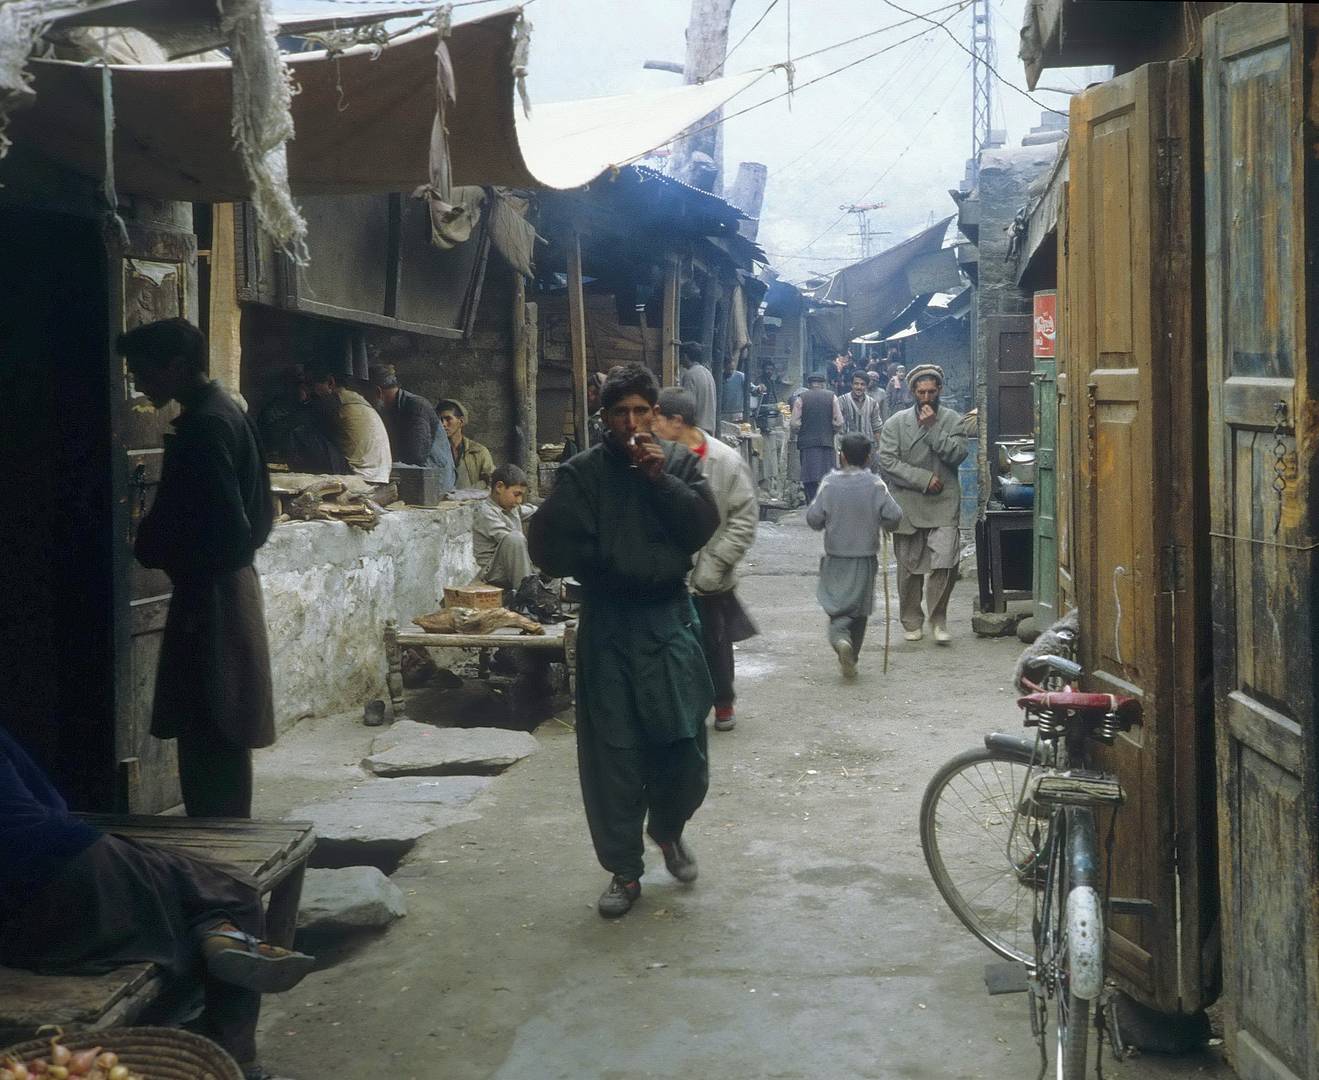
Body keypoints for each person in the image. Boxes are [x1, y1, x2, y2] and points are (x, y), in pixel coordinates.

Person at [0, 724, 312, 1080]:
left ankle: (216, 935)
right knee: (234, 889)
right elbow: (53, 805)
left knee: (191, 888)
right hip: (69, 861)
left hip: (22, 914)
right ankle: (234, 1047)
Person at [527, 363, 719, 919]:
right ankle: (623, 871)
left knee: (684, 745)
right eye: (620, 412)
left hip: (668, 621)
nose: (631, 422)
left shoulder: (679, 462)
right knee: (613, 752)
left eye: (641, 411)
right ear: (604, 417)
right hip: (609, 624)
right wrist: (587, 523)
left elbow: (700, 528)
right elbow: (549, 550)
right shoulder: (583, 473)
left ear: (655, 415)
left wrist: (661, 480)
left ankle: (669, 828)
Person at [119, 319, 275, 819]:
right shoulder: (225, 411)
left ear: (179, 367)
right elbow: (260, 518)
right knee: (219, 724)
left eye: (145, 371)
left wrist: (156, 545)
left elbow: (227, 532)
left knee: (211, 723)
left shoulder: (206, 427)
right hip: (227, 588)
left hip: (211, 597)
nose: (140, 383)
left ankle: (220, 857)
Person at [653, 388, 758, 732]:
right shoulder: (657, 458)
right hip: (669, 569)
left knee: (715, 641)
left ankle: (723, 701)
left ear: (676, 421)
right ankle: (682, 705)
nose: (652, 425)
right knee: (672, 643)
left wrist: (716, 563)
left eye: (658, 418)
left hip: (711, 573)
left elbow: (743, 519)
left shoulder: (724, 461)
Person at [877, 363, 968, 644]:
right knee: (909, 568)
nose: (926, 397)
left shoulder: (953, 420)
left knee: (946, 562)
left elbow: (958, 455)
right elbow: (887, 462)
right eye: (921, 392)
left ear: (939, 390)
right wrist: (923, 479)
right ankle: (911, 620)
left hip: (944, 502)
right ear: (912, 392)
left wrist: (932, 429)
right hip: (907, 502)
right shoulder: (895, 423)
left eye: (931, 391)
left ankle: (938, 619)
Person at [805, 434, 904, 677]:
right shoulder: (876, 484)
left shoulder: (829, 483)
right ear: (869, 458)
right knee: (859, 610)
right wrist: (883, 522)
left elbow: (813, 518)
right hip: (865, 559)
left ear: (842, 456)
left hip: (835, 558)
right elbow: (895, 515)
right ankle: (852, 656)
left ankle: (840, 640)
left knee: (837, 608)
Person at [367, 363, 456, 491]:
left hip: (435, 483)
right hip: (419, 480)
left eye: (366, 396)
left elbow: (415, 458)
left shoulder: (416, 406)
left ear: (378, 392)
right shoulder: (390, 408)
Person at [307, 368, 392, 484]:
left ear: (331, 382)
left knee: (300, 432)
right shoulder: (356, 399)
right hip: (379, 474)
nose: (309, 392)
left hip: (358, 474)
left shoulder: (335, 400)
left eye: (311, 386)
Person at [471, 463, 535, 591]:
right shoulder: (486, 513)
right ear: (499, 487)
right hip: (493, 573)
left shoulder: (510, 507)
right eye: (516, 494)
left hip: (509, 567)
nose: (519, 501)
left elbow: (532, 510)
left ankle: (533, 582)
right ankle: (526, 596)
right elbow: (512, 543)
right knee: (515, 538)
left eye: (521, 495)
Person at [791, 371, 844, 504]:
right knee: (827, 476)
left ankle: (812, 504)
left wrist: (801, 431)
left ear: (809, 384)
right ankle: (826, 504)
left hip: (807, 444)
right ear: (823, 384)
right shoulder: (832, 397)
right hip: (827, 442)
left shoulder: (801, 398)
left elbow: (794, 423)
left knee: (809, 477)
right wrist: (831, 431)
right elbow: (839, 422)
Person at [437, 398, 496, 488]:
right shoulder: (435, 452)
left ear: (461, 421)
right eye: (440, 420)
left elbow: (491, 480)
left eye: (448, 419)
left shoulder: (478, 451)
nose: (443, 424)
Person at [840, 370, 884, 460]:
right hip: (848, 447)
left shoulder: (872, 403)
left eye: (862, 384)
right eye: (856, 384)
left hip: (867, 447)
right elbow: (837, 426)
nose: (859, 387)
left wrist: (879, 447)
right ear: (851, 385)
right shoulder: (841, 401)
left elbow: (877, 427)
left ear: (866, 386)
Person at [678, 340, 718, 434]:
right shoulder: (708, 373)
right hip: (709, 428)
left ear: (685, 356)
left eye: (681, 356)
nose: (680, 360)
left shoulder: (690, 375)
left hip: (696, 429)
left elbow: (688, 405)